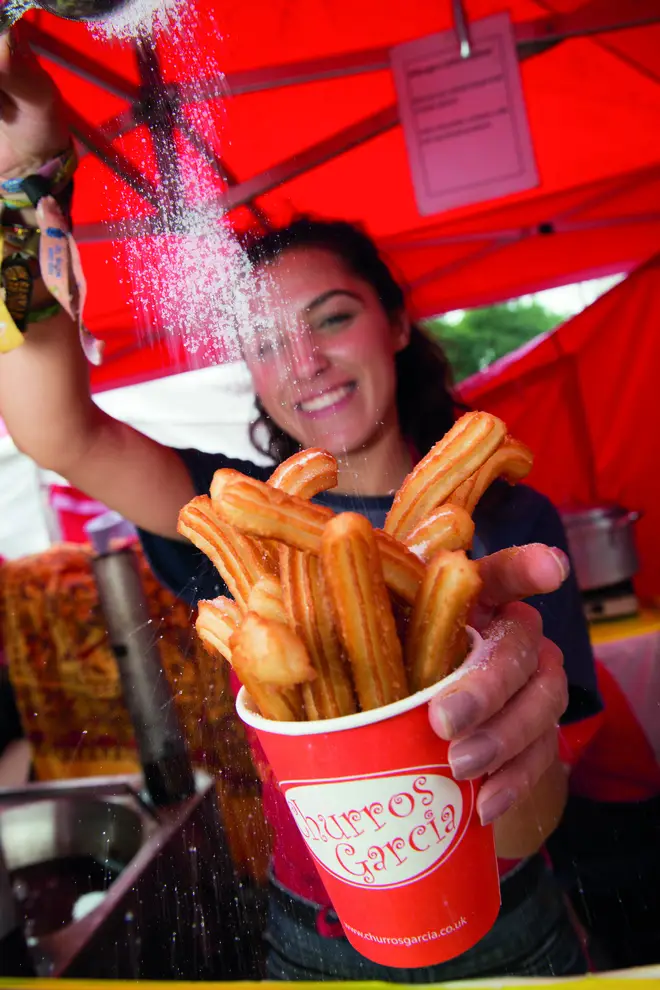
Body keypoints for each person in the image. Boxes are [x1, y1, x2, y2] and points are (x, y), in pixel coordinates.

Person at [0, 32, 602, 981]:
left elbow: (542, 804)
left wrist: (505, 760)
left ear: (397, 323)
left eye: (331, 316)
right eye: (268, 341)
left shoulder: (513, 522)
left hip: (504, 925)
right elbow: (52, 429)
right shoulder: (228, 514)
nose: (307, 361)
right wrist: (20, 174)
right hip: (310, 944)